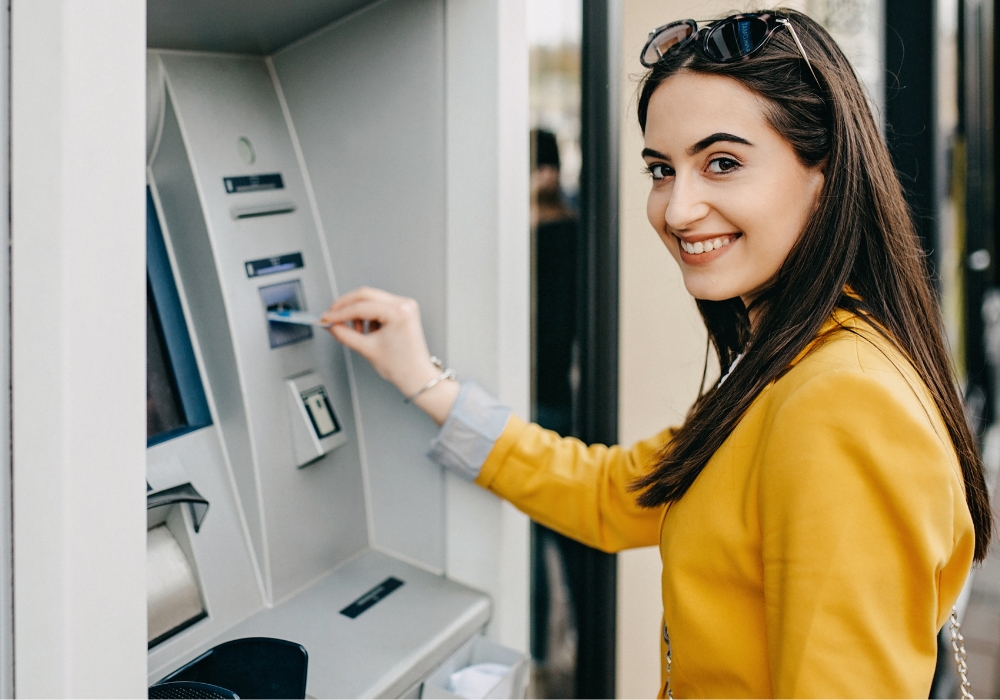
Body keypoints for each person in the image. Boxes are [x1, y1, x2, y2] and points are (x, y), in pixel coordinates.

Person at [322, 10, 991, 697]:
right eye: (661, 170)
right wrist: (424, 382)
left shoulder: (841, 403)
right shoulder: (787, 361)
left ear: (825, 173)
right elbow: (613, 495)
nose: (676, 210)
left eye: (722, 163)